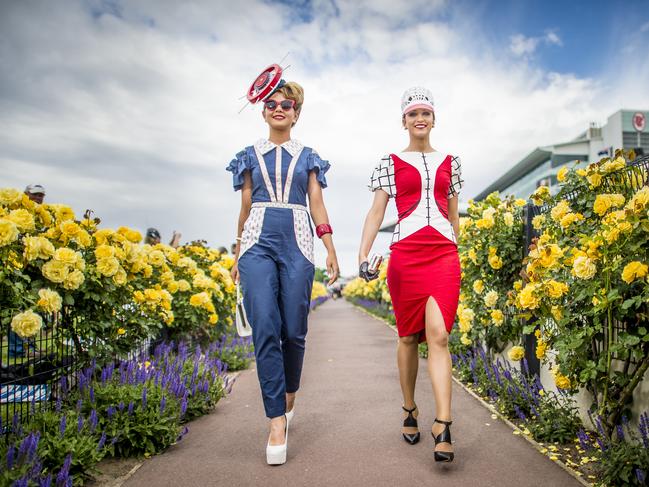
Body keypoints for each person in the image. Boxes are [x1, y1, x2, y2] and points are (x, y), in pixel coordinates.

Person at [227, 67, 339, 465]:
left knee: (294, 329)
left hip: (299, 243)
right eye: (271, 103)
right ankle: (276, 419)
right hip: (257, 242)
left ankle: (289, 392)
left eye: (286, 104)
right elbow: (243, 208)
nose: (278, 108)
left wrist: (329, 246)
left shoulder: (308, 156)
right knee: (265, 326)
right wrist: (237, 252)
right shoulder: (248, 155)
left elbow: (317, 203)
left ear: (296, 113)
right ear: (263, 110)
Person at [358, 87, 463, 463]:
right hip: (405, 254)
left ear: (434, 119)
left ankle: (444, 424)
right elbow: (375, 213)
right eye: (413, 113)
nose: (420, 119)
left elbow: (453, 216)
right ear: (403, 120)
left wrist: (457, 251)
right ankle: (409, 408)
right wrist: (364, 253)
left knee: (439, 335)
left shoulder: (452, 161)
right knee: (407, 337)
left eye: (426, 113)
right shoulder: (389, 162)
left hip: (444, 255)